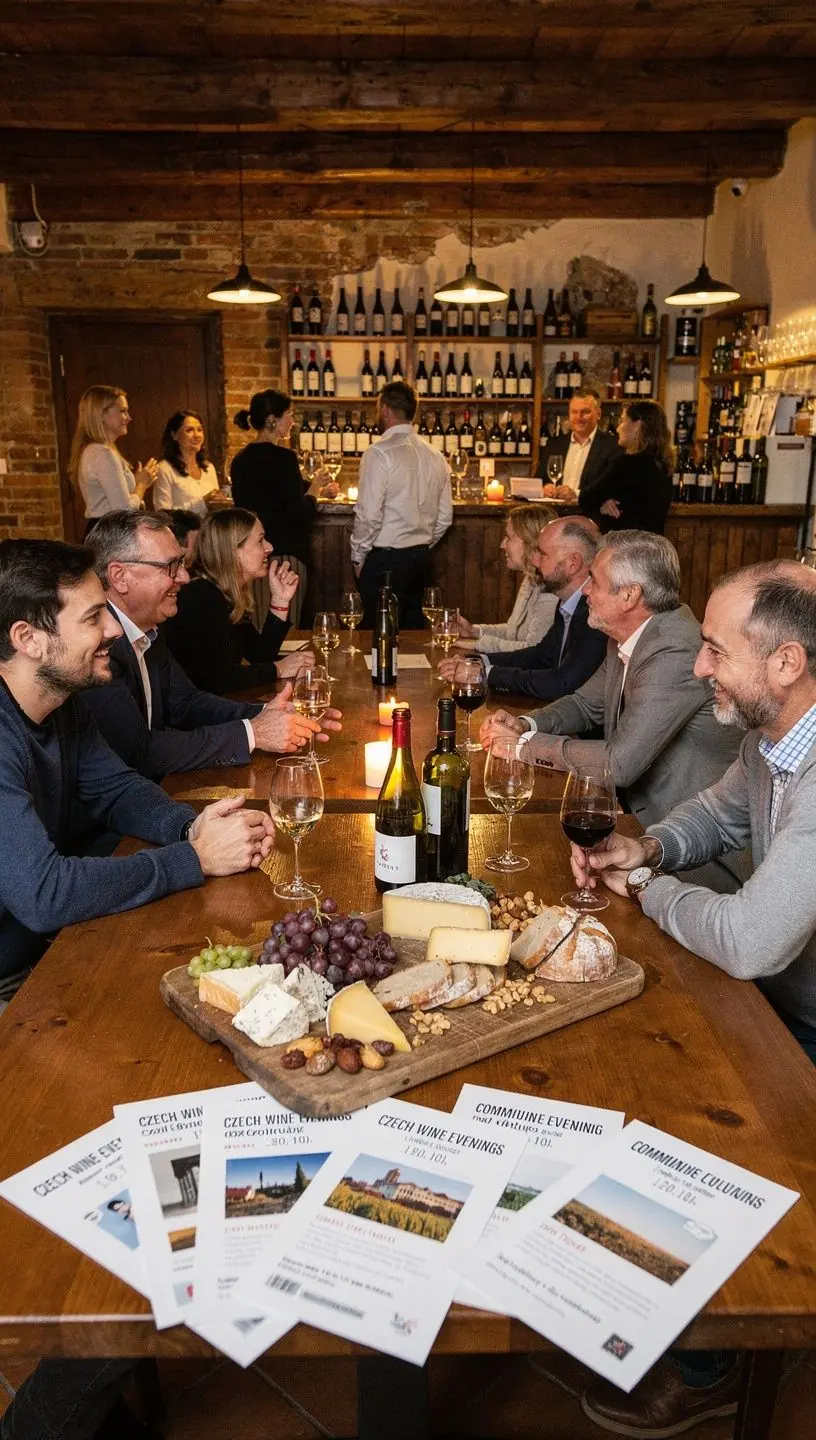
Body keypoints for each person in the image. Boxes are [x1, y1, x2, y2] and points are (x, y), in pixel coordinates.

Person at [567, 561, 816, 1440]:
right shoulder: (773, 738)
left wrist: (648, 895)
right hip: (781, 991)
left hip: (804, 1014)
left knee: (698, 1120)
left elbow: (750, 940)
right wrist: (648, 849)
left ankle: (714, 1366)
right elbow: (717, 818)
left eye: (715, 649)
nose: (700, 666)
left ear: (786, 662)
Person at [0, 537, 275, 990]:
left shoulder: (63, 702)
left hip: (53, 943)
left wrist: (191, 827)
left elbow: (118, 789)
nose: (113, 629)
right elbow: (44, 893)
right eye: (93, 617)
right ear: (28, 639)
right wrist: (196, 857)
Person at [480, 530, 743, 838]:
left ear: (629, 596)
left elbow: (618, 764)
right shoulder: (631, 633)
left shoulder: (673, 649)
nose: (586, 591)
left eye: (595, 581)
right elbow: (585, 703)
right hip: (632, 816)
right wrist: (525, 724)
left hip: (684, 837)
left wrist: (523, 747)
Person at [83, 512, 339, 783]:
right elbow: (140, 752)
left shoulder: (147, 629)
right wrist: (253, 732)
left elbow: (186, 702)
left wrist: (271, 715)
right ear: (119, 576)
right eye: (171, 566)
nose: (183, 576)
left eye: (181, 563)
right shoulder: (98, 646)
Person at [441, 516, 607, 703]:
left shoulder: (594, 611)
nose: (535, 562)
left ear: (573, 563)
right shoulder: (569, 601)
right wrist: (478, 662)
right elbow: (541, 656)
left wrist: (486, 673)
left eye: (543, 554)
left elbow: (560, 684)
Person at [164, 507, 314, 695]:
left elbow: (260, 655)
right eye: (260, 541)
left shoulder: (223, 593)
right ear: (232, 550)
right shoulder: (200, 595)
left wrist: (280, 600)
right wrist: (278, 669)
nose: (269, 547)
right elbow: (219, 679)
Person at [351, 381, 453, 629]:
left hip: (385, 562)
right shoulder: (436, 456)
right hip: (421, 560)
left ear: (384, 409)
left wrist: (358, 557)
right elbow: (445, 518)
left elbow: (368, 516)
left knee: (378, 640)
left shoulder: (378, 453)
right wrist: (419, 545)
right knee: (415, 642)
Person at [230, 389, 316, 628]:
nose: (293, 421)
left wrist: (310, 486)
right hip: (286, 557)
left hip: (251, 556)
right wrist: (315, 493)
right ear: (272, 420)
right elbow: (298, 513)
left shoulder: (240, 460)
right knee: (287, 626)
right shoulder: (285, 458)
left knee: (258, 624)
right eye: (290, 414)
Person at [453, 504, 558, 653]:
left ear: (531, 542)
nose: (502, 545)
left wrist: (479, 644)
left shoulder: (552, 591)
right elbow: (512, 632)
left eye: (509, 537)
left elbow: (532, 650)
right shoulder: (530, 578)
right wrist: (473, 631)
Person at [579, 398, 673, 534]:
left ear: (638, 425)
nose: (618, 428)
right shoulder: (663, 464)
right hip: (653, 548)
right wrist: (604, 501)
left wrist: (601, 502)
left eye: (622, 421)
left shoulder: (628, 463)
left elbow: (585, 498)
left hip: (624, 547)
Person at [69, 386, 158, 528]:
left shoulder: (99, 450)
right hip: (110, 532)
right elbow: (124, 510)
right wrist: (142, 485)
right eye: (123, 411)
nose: (129, 417)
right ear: (101, 414)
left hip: (106, 530)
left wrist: (136, 482)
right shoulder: (102, 453)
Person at [537, 389, 619, 501]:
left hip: (589, 516)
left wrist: (576, 494)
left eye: (585, 412)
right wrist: (544, 488)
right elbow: (539, 479)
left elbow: (612, 489)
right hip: (555, 514)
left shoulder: (612, 446)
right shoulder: (554, 444)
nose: (579, 417)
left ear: (598, 414)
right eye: (574, 412)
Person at [153, 409, 221, 515]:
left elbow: (216, 507)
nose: (197, 435)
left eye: (200, 430)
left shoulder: (209, 468)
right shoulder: (164, 469)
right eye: (189, 430)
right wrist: (203, 502)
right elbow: (163, 514)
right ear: (174, 435)